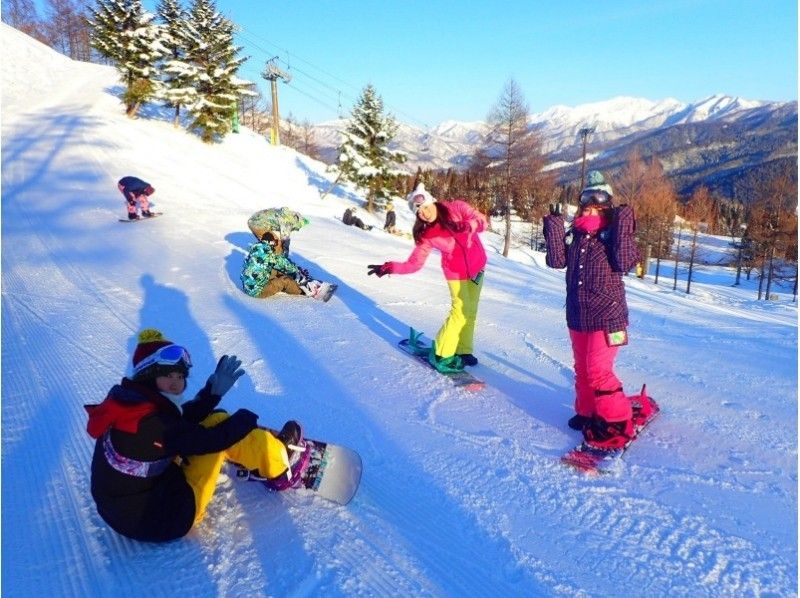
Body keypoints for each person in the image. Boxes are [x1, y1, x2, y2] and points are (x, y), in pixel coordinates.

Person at [85, 329, 307, 542]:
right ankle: (281, 465)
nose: (176, 382)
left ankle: (255, 450)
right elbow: (211, 440)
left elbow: (179, 423)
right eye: (167, 375)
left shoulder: (129, 406)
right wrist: (245, 419)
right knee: (220, 424)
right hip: (167, 519)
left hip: (126, 513)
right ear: (148, 376)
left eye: (180, 376)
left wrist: (212, 393)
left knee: (212, 419)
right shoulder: (154, 424)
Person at [543, 170, 654, 450]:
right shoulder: (577, 234)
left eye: (599, 200)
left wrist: (625, 223)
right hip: (578, 314)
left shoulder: (611, 233)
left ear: (608, 204)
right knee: (582, 368)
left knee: (598, 372)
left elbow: (625, 261)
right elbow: (556, 261)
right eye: (586, 200)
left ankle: (616, 422)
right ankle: (587, 412)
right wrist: (555, 226)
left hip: (608, 317)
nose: (592, 205)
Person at [367, 183, 487, 372]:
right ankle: (442, 353)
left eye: (424, 207)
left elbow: (481, 221)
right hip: (456, 274)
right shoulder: (428, 234)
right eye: (418, 211)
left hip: (478, 268)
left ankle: (463, 350)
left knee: (470, 312)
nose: (423, 212)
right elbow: (414, 264)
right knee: (459, 312)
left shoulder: (456, 207)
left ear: (431, 200)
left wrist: (468, 225)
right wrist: (390, 267)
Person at [241, 231, 337, 302]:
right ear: (271, 243)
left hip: (248, 285)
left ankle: (296, 280)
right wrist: (296, 269)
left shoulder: (254, 251)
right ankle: (305, 290)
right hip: (258, 291)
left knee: (276, 270)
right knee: (284, 281)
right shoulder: (268, 254)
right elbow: (284, 264)